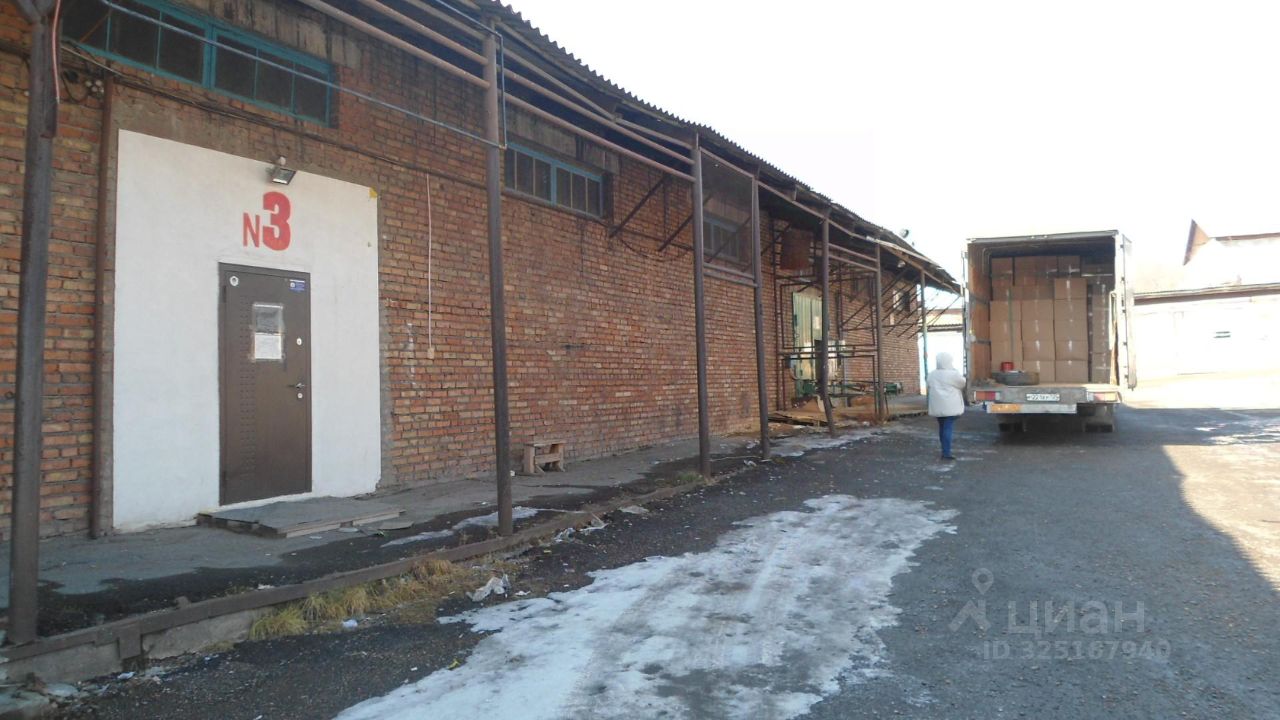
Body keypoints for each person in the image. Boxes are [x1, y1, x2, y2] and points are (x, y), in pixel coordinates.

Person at [926, 352, 967, 461]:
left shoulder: (932, 374)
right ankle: (946, 453)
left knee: (942, 427)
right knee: (948, 428)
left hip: (938, 406)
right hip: (950, 406)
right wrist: (955, 370)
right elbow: (962, 383)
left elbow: (929, 384)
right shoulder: (953, 374)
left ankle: (944, 449)